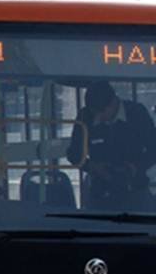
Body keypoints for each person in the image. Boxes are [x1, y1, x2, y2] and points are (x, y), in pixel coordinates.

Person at [67, 80, 156, 210]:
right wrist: (92, 167)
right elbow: (73, 153)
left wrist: (136, 167)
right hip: (100, 192)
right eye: (94, 112)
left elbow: (154, 148)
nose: (98, 117)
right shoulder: (85, 117)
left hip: (136, 189)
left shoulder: (137, 113)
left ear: (113, 103)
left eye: (101, 112)